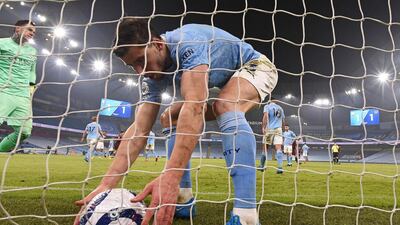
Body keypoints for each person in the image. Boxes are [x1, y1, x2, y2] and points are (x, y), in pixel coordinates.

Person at [74, 18, 278, 225]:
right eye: (133, 66)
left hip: (255, 65)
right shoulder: (150, 77)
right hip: (223, 80)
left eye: (141, 60)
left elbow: (195, 107)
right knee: (169, 117)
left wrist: (169, 177)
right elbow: (139, 130)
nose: (140, 71)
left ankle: (246, 215)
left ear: (158, 44)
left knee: (226, 106)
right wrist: (106, 184)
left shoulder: (188, 44)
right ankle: (183, 199)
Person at [0, 20, 37, 152]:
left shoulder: (32, 51)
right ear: (17, 29)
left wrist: (30, 91)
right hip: (3, 92)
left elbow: (32, 72)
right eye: (29, 30)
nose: (32, 33)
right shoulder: (2, 43)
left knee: (24, 132)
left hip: (23, 96)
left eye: (33, 32)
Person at [260, 101, 285, 174]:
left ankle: (262, 166)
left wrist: (263, 127)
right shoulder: (280, 108)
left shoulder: (267, 106)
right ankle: (280, 167)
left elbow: (265, 116)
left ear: (269, 101)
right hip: (279, 129)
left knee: (265, 147)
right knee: (278, 148)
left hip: (270, 129)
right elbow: (283, 120)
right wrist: (282, 131)